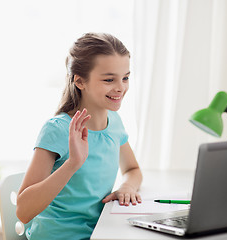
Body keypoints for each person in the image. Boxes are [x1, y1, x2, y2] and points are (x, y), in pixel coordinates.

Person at [16, 33, 143, 240]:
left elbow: (132, 169)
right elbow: (23, 211)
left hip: (101, 233)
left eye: (125, 77)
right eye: (109, 79)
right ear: (80, 81)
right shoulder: (57, 130)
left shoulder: (115, 123)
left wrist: (127, 187)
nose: (120, 87)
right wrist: (73, 163)